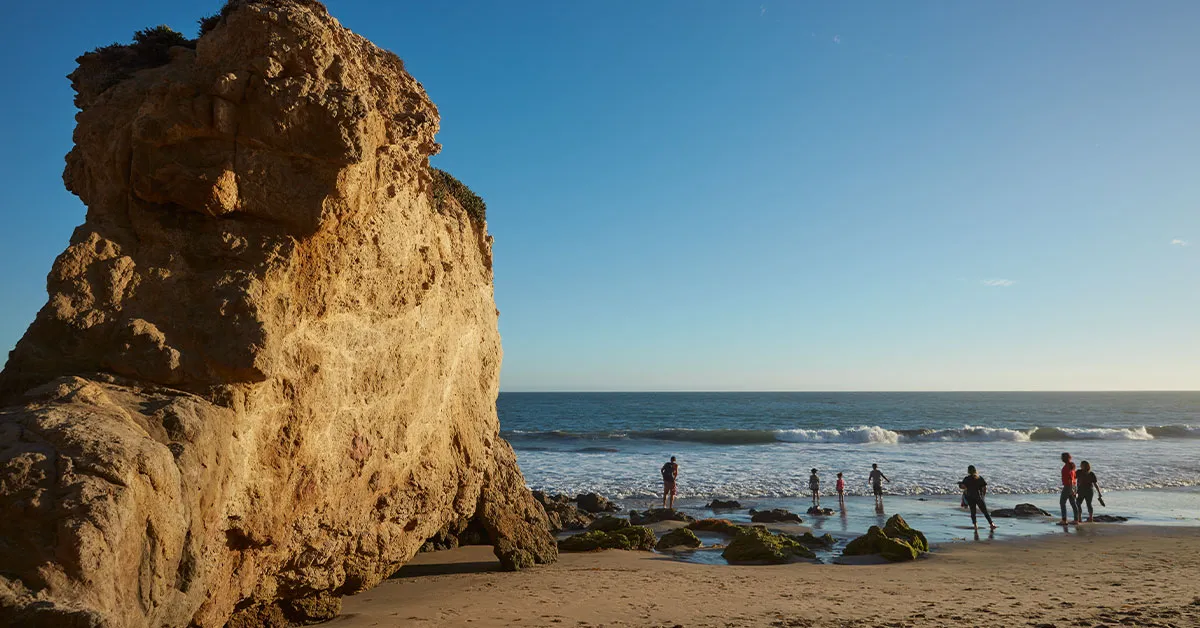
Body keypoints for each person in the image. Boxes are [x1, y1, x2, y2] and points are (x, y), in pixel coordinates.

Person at [958, 465, 997, 530]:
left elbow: (963, 487)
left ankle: (975, 525)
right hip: (978, 496)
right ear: (975, 470)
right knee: (984, 511)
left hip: (970, 496)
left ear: (968, 471)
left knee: (973, 512)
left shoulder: (966, 479)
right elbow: (984, 487)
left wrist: (960, 484)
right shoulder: (979, 478)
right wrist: (983, 495)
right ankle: (991, 524)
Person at [1059, 452, 1081, 525]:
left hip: (1068, 486)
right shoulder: (1071, 466)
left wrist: (1071, 489)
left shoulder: (1067, 467)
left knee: (1062, 502)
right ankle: (1076, 519)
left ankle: (1064, 520)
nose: (1061, 459)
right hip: (1072, 486)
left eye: (1062, 457)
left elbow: (1070, 479)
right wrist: (1074, 488)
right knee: (1073, 503)